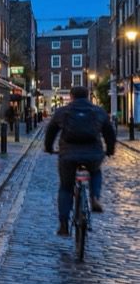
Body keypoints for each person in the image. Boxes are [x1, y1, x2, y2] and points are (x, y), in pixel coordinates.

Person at [44, 85, 115, 236]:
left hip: (68, 155)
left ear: (71, 96)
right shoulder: (98, 111)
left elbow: (51, 131)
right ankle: (94, 197)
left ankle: (63, 224)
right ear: (88, 96)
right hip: (93, 153)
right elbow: (109, 133)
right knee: (95, 172)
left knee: (66, 187)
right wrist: (110, 150)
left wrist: (49, 148)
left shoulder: (63, 112)